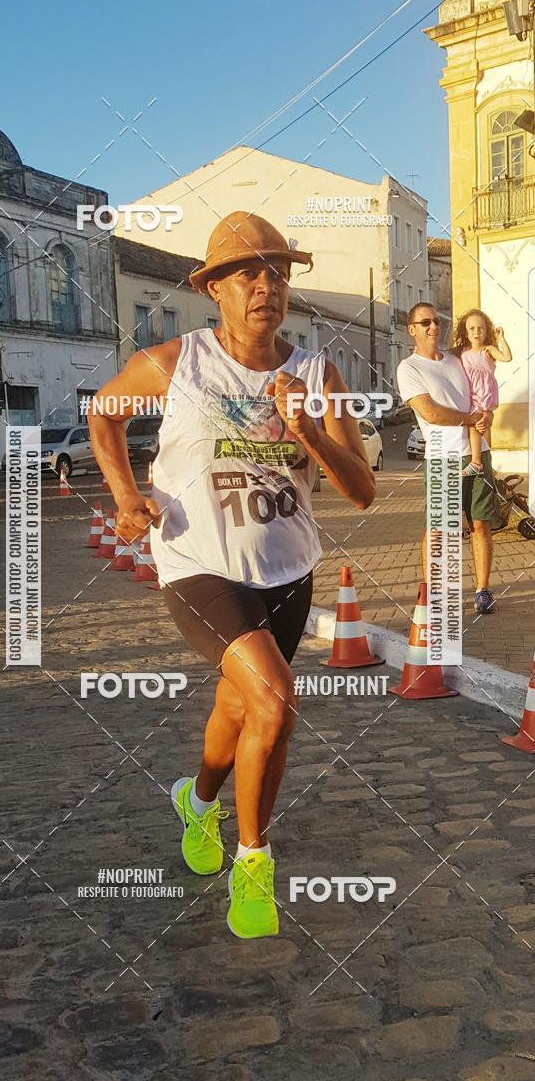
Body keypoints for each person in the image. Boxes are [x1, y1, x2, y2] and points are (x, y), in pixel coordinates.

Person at [88, 212, 376, 939]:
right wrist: (126, 495)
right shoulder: (174, 363)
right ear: (213, 287)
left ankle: (200, 798)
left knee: (241, 710)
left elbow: (363, 490)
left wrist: (309, 430)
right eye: (248, 272)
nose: (266, 286)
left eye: (277, 272)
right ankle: (253, 861)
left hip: (287, 567)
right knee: (277, 698)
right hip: (197, 563)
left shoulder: (318, 372)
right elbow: (104, 413)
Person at [397, 302, 497, 616]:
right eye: (425, 323)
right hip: (443, 458)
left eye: (437, 321)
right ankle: (433, 594)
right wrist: (470, 419)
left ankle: (482, 590)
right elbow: (431, 413)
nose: (433, 327)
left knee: (481, 524)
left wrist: (487, 416)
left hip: (478, 453)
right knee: (440, 529)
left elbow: (481, 392)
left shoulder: (457, 359)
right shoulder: (409, 367)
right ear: (412, 329)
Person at [451, 309, 512, 477]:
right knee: (476, 428)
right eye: (472, 329)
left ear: (487, 330)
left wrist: (501, 338)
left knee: (477, 426)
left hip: (484, 396)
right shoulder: (461, 353)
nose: (477, 332)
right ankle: (482, 463)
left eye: (481, 328)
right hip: (469, 396)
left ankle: (477, 462)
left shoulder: (488, 350)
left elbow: (507, 357)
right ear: (465, 331)